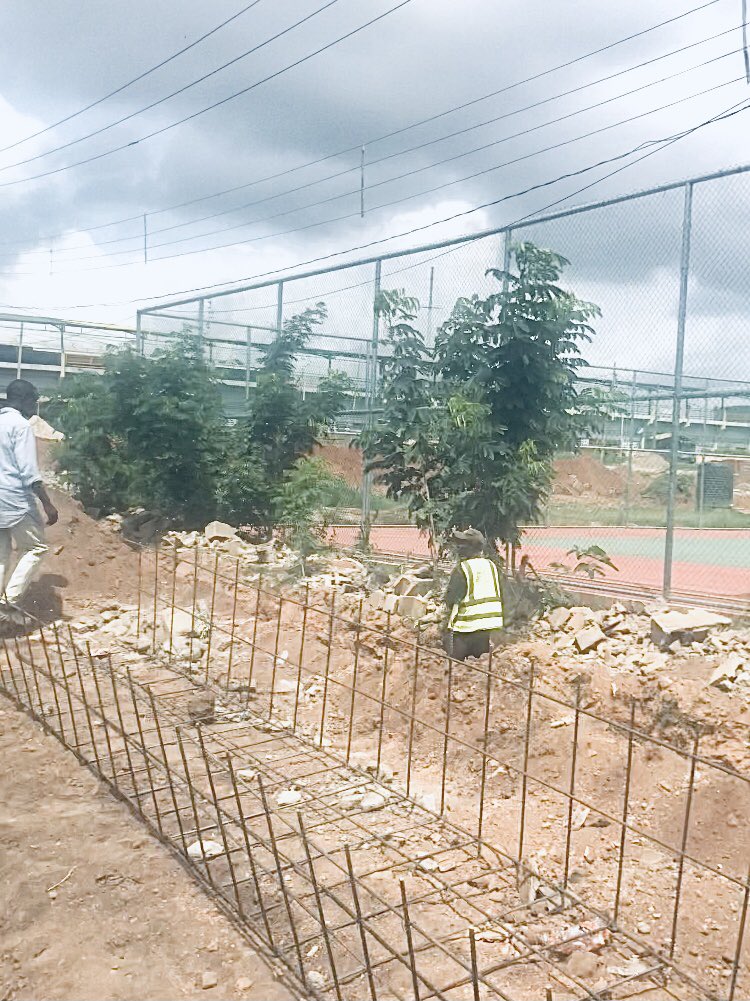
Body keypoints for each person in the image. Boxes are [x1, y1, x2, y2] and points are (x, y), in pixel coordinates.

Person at [0, 380, 58, 619]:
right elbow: (28, 472)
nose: (35, 407)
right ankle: (8, 601)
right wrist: (47, 503)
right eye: (33, 401)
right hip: (15, 498)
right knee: (36, 547)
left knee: (1, 554)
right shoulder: (20, 426)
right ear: (23, 399)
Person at [443, 528, 504, 661]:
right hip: (488, 625)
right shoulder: (491, 565)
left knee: (456, 665)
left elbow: (451, 598)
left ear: (469, 548)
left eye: (462, 544)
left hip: (466, 626)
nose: (459, 547)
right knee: (478, 665)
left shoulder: (462, 568)